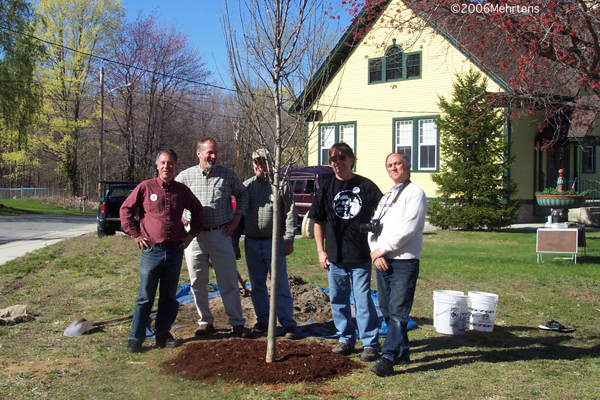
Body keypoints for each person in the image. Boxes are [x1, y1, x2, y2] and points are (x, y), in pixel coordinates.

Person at [120, 149, 204, 353]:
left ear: (176, 166)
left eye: (171, 163)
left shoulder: (181, 191)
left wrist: (191, 234)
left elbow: (198, 211)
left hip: (174, 251)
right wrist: (135, 235)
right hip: (151, 251)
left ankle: (163, 334)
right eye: (163, 163)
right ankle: (136, 337)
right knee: (145, 297)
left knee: (169, 297)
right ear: (157, 166)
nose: (167, 166)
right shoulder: (145, 187)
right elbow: (126, 210)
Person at [307, 142, 383, 362]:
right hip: (335, 257)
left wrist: (378, 244)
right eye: (333, 159)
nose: (337, 162)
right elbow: (317, 222)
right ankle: (345, 339)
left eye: (341, 158)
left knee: (363, 300)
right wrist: (321, 251)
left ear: (351, 159)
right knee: (339, 300)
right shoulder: (327, 189)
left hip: (360, 255)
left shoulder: (366, 186)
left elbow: (385, 213)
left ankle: (369, 343)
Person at [175, 138, 252, 338]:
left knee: (228, 281)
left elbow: (243, 196)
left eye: (215, 152)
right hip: (194, 237)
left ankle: (237, 322)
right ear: (198, 153)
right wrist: (180, 216)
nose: (213, 156)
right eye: (209, 152)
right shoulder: (185, 177)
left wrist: (236, 221)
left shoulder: (227, 175)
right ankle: (205, 321)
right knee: (197, 281)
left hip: (221, 234)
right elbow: (172, 198)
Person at [368, 152, 428, 377]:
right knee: (385, 308)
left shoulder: (415, 194)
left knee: (398, 311)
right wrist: (375, 252)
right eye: (389, 165)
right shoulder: (387, 197)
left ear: (407, 167)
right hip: (382, 260)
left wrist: (383, 249)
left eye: (397, 164)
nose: (393, 168)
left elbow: (408, 229)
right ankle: (402, 350)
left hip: (404, 262)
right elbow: (373, 227)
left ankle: (388, 357)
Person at [232, 149, 298, 339]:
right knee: (257, 285)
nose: (260, 166)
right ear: (253, 164)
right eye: (257, 162)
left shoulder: (280, 186)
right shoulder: (246, 187)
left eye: (264, 162)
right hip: (252, 243)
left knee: (280, 283)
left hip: (274, 243)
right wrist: (235, 242)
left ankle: (287, 323)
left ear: (271, 164)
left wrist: (288, 240)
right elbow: (239, 216)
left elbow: (290, 214)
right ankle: (263, 320)